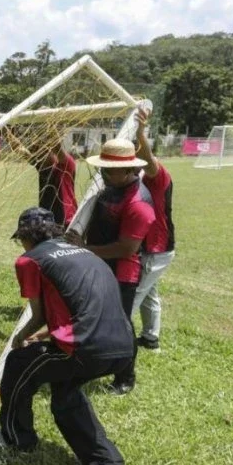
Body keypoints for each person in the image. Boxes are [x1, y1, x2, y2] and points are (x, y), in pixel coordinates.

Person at [0, 207, 134, 465]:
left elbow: (38, 316)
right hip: (123, 346)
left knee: (19, 364)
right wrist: (47, 336)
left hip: (85, 348)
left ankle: (16, 439)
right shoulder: (85, 253)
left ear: (25, 237)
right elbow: (80, 310)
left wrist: (20, 338)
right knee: (65, 394)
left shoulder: (30, 260)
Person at [81, 138, 155, 395]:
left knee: (120, 325)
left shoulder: (139, 203)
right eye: (102, 168)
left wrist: (84, 250)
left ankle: (125, 377)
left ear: (130, 170)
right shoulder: (113, 185)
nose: (103, 173)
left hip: (121, 274)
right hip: (99, 265)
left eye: (108, 169)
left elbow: (127, 248)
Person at [131, 109, 176, 351]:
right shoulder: (140, 177)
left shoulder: (158, 176)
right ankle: (151, 339)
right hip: (150, 247)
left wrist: (140, 133)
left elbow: (149, 162)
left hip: (157, 248)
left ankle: (114, 341)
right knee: (149, 294)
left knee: (134, 295)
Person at [15, 133, 78, 228]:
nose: (39, 157)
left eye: (42, 152)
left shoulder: (66, 165)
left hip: (66, 223)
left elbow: (57, 146)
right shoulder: (42, 166)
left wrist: (49, 125)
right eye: (38, 153)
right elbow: (18, 148)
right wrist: (4, 130)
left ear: (51, 151)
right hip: (46, 222)